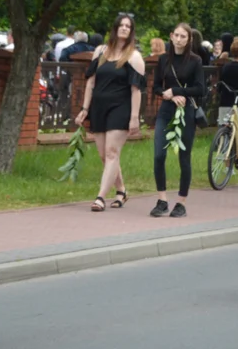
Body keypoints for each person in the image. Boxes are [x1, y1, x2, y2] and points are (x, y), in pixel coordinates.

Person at [75, 13, 146, 212]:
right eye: (121, 25)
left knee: (112, 152)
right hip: (98, 107)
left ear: (131, 32)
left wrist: (134, 118)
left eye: (128, 26)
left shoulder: (134, 57)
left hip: (120, 108)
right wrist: (84, 109)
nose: (124, 28)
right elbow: (90, 82)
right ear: (115, 28)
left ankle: (100, 197)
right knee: (104, 156)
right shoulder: (100, 51)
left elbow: (136, 90)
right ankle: (121, 190)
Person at [151, 23, 204, 217]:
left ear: (189, 39)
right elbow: (156, 87)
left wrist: (177, 91)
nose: (179, 39)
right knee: (159, 155)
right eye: (177, 36)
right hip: (166, 110)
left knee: (184, 157)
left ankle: (181, 202)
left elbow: (200, 89)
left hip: (186, 111)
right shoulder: (164, 59)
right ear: (171, 36)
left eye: (184, 36)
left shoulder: (195, 61)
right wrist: (169, 95)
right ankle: (162, 199)